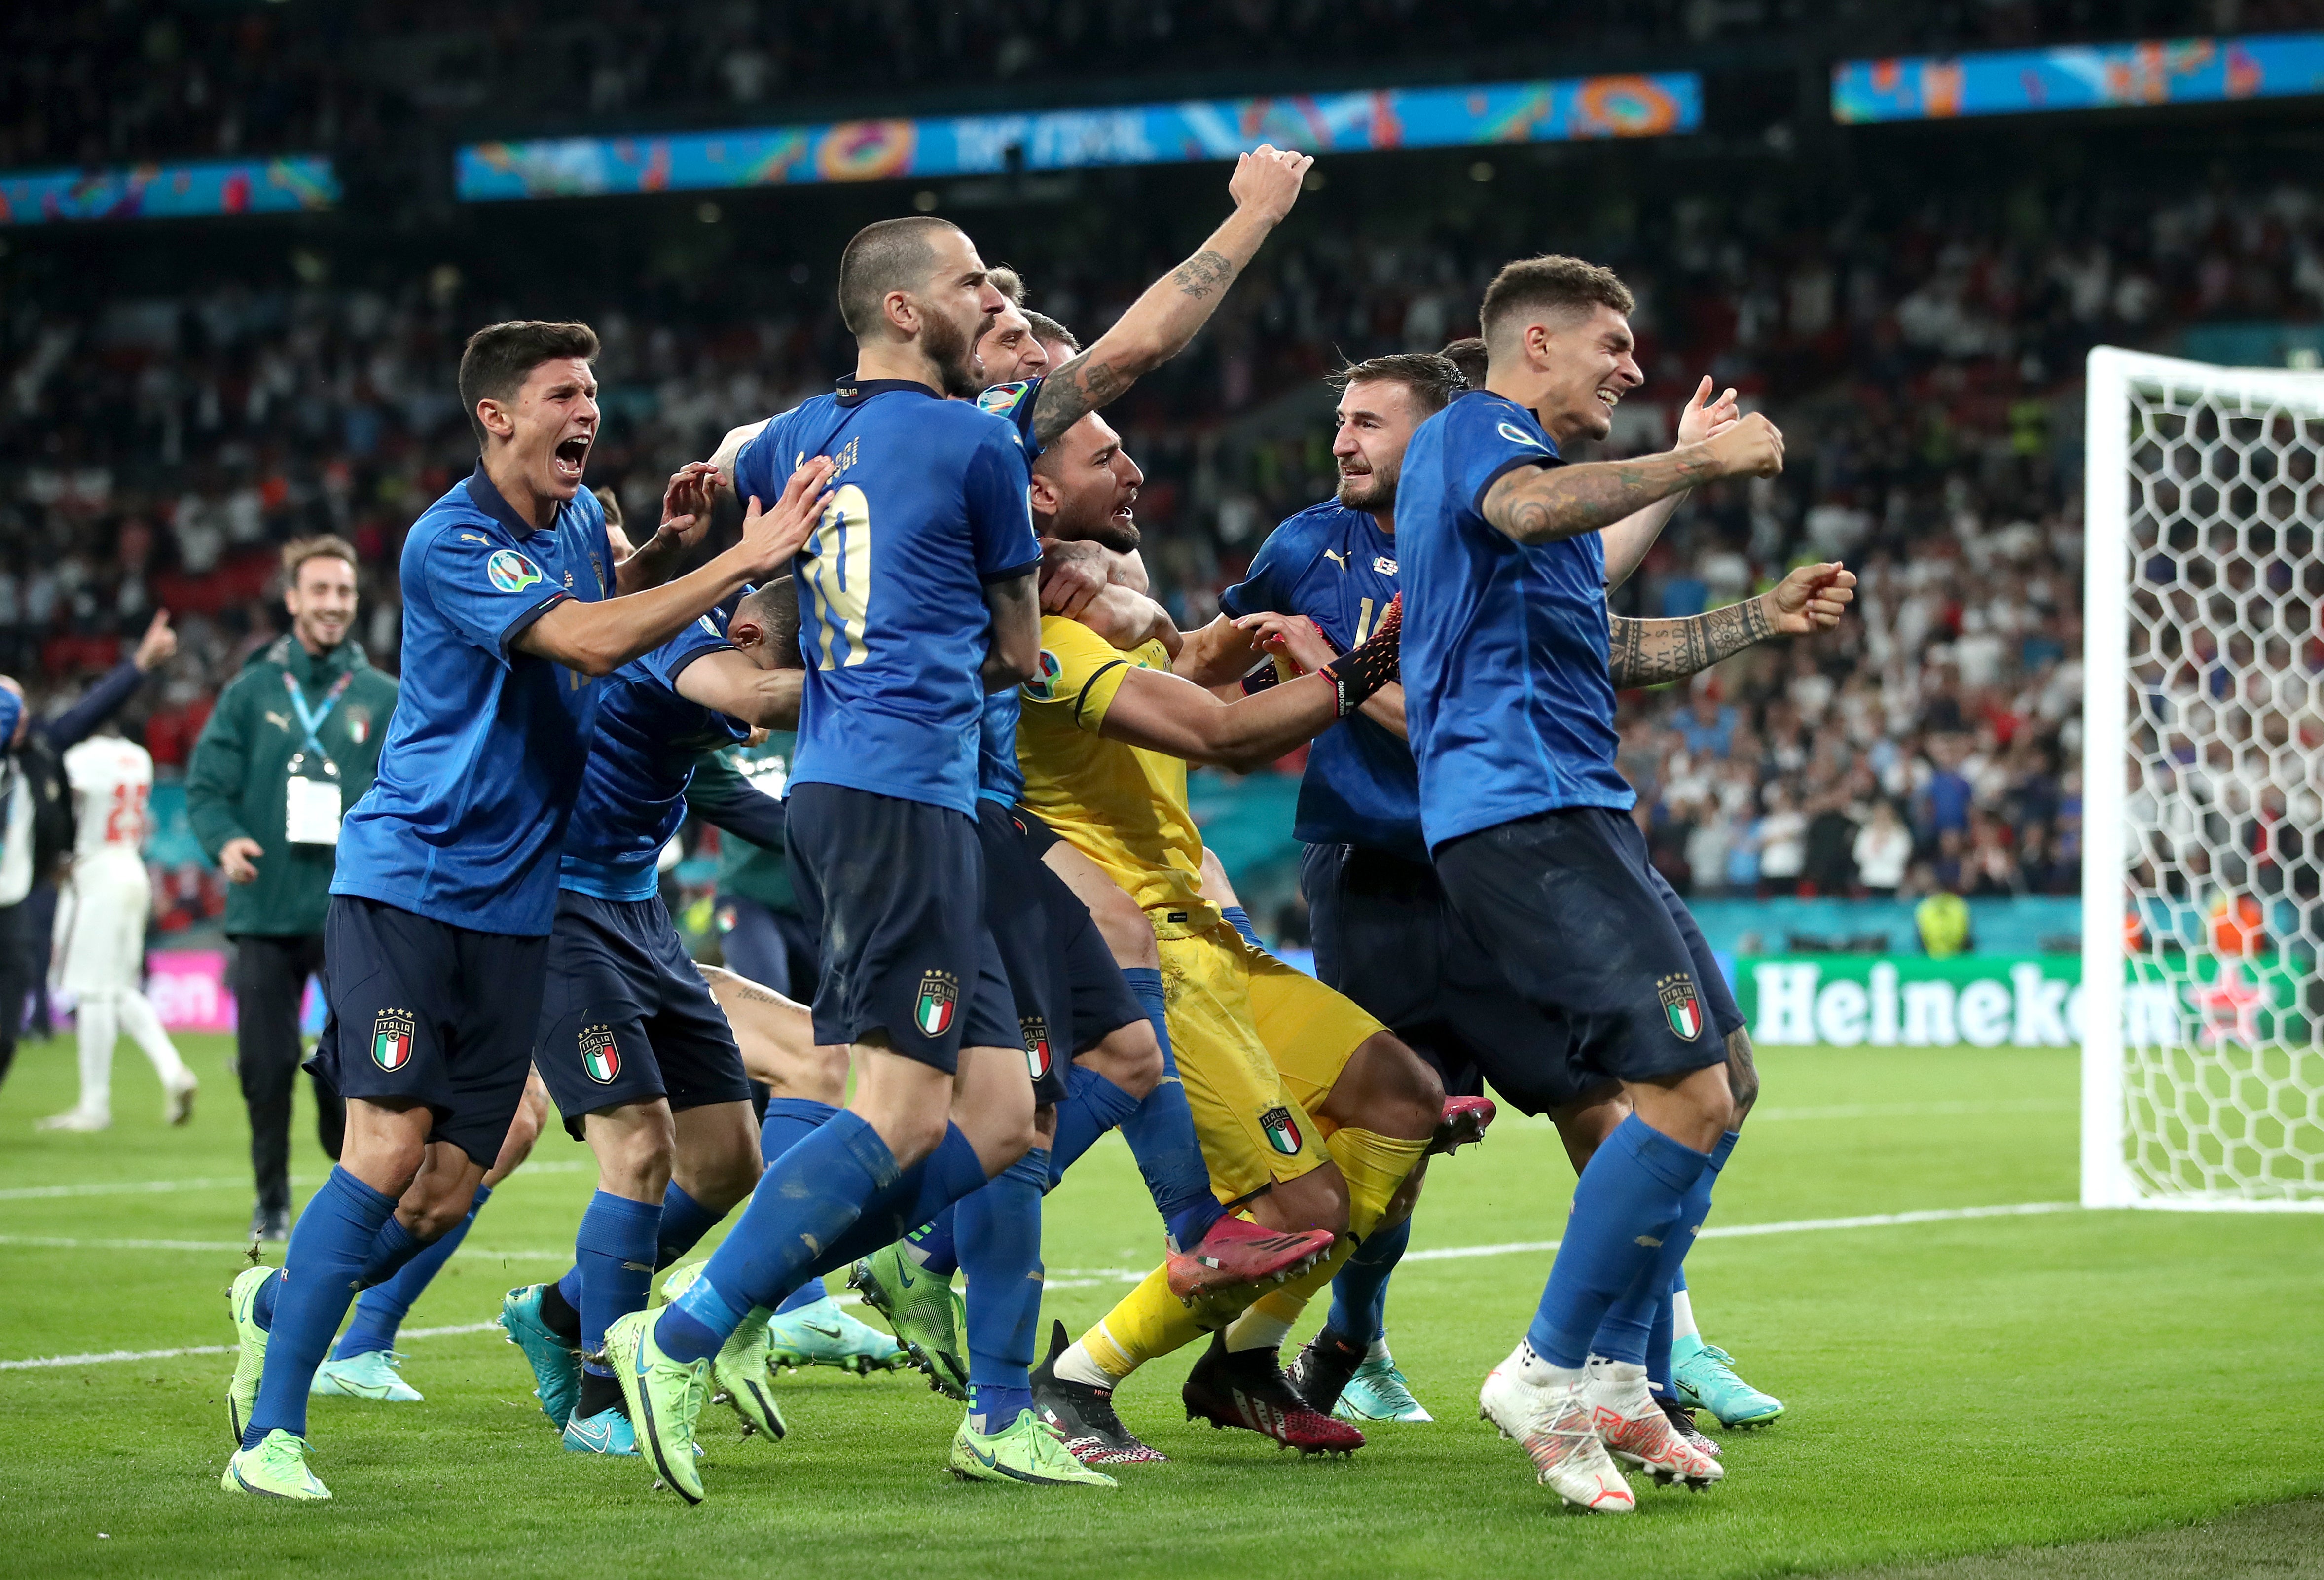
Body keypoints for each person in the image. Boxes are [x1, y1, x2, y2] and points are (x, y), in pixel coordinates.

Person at [220, 317, 832, 1503]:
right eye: (563, 393)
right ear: (498, 414)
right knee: (388, 1143)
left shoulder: (568, 530)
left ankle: (281, 1303)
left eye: (594, 390)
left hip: (516, 909)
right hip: (409, 883)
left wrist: (667, 545)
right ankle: (271, 1439)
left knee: (451, 1183)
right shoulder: (451, 537)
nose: (587, 411)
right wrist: (750, 555)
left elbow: (606, 601)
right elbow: (591, 640)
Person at [1179, 350, 1843, 1436]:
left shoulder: (1487, 534)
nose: (1342, 441)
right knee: (1390, 1144)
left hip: (1497, 870)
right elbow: (1215, 659)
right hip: (1372, 880)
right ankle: (1357, 1339)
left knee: (1611, 1107)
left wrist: (1731, 568)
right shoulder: (1307, 546)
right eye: (1338, 421)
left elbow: (1594, 603)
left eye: (1368, 423)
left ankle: (1657, 1348)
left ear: (1437, 438)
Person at [611, 216, 1049, 1505]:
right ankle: (684, 1329)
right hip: (905, 794)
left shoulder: (805, 433)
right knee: (907, 1108)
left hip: (855, 792)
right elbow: (1022, 652)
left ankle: (795, 1299)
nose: (990, 299)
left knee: (1003, 1113)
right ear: (907, 310)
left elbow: (742, 509)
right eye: (973, 281)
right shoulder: (975, 441)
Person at [1396, 253, 1797, 1511]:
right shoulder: (1478, 438)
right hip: (1522, 815)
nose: (1631, 365)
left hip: (1583, 815)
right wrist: (1695, 465)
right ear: (1535, 347)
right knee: (1673, 1092)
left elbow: (1607, 617)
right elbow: (1530, 512)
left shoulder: (1538, 503)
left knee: (1725, 1078)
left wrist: (1758, 612)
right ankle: (1548, 1366)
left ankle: (1623, 1370)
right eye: (1612, 345)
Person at [1003, 404, 1434, 1462]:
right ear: (1045, 497)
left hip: (1209, 937)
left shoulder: (1108, 615)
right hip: (1149, 957)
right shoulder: (1041, 644)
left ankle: (1240, 1364)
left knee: (1402, 1098)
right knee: (1295, 1206)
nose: (1137, 469)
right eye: (1109, 457)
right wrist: (1361, 663)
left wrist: (1205, 638)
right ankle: (1073, 1380)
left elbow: (1183, 667)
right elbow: (1222, 738)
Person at [186, 536, 399, 1239]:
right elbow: (207, 785)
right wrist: (224, 840)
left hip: (352, 909)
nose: (333, 605)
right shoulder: (250, 690)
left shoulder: (382, 696)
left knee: (353, 1068)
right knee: (264, 1064)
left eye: (344, 592)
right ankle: (271, 1197)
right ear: (292, 599)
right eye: (320, 591)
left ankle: (348, 1191)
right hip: (265, 906)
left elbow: (408, 790)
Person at [0, 609, 178, 1096]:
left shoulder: (40, 756)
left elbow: (86, 716)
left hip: (19, 901)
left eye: (15, 707)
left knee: (9, 1028)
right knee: (102, 987)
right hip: (110, 871)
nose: (12, 717)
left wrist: (139, 665)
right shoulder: (130, 760)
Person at [40, 722, 199, 1131]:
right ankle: (173, 1072)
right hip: (132, 867)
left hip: (95, 872)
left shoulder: (82, 758)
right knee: (120, 987)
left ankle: (94, 1105)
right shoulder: (139, 758)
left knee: (93, 990)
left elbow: (57, 802)